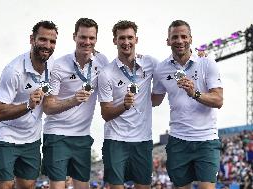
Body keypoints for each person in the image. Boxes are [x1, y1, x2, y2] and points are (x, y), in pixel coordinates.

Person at [152, 20, 223, 189]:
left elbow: (219, 100)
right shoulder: (161, 69)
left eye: (184, 36)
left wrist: (195, 94)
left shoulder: (207, 62)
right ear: (168, 41)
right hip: (178, 140)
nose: (179, 40)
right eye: (174, 37)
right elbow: (155, 100)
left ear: (191, 39)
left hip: (206, 140)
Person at [42, 18, 109, 189]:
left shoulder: (102, 62)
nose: (87, 42)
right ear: (74, 37)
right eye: (83, 37)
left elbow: (118, 70)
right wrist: (73, 100)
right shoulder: (58, 65)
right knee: (57, 186)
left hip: (82, 136)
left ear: (96, 40)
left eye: (91, 38)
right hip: (57, 134)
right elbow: (48, 107)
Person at [0, 20, 58, 189]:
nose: (47, 45)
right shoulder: (13, 71)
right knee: (4, 185)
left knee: (27, 186)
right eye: (43, 39)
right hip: (6, 136)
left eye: (52, 41)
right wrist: (28, 105)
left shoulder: (54, 66)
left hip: (31, 138)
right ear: (32, 39)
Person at [98, 20, 159, 189]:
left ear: (136, 39)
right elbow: (105, 113)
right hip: (116, 140)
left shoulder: (150, 63)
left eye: (130, 37)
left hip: (143, 140)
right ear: (114, 41)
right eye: (122, 38)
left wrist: (198, 55)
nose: (126, 42)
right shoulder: (106, 73)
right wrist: (124, 106)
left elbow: (173, 64)